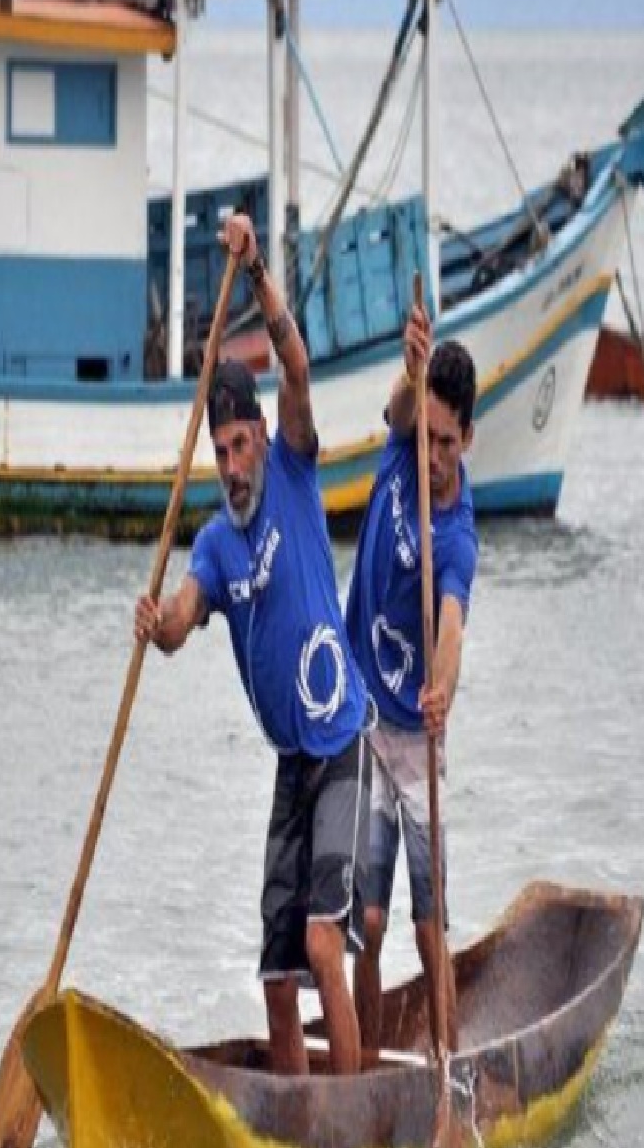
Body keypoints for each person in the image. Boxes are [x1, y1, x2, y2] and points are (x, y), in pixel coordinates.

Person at [133, 213, 372, 1077]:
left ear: (262, 440)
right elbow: (180, 622)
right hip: (290, 765)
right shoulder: (213, 544)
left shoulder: (298, 468)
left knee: (318, 945)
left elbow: (296, 364)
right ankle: (299, 1120)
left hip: (343, 743)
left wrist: (260, 270)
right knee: (274, 975)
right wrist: (153, 620)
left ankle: (352, 1119)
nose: (232, 466)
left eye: (241, 446)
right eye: (220, 452)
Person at [345, 299, 478, 1057]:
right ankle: (362, 1068)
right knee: (365, 920)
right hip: (361, 719)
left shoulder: (458, 535)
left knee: (429, 927)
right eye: (424, 437)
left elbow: (452, 622)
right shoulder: (401, 438)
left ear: (466, 440)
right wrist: (409, 366)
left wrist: (442, 691)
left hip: (413, 739)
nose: (429, 457)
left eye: (444, 444)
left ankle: (450, 1074)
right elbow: (398, 404)